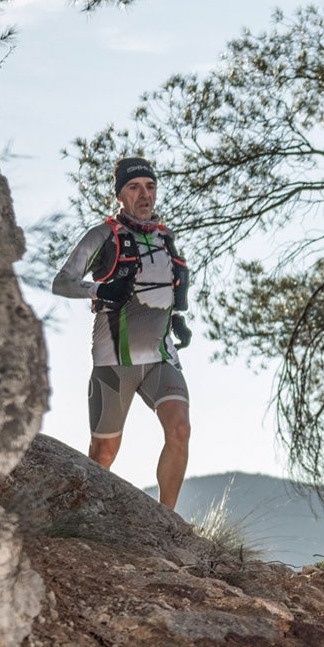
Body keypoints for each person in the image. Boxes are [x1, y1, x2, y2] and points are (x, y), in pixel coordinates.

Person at [52, 155, 195, 509]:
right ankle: (80, 518)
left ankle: (167, 521)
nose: (144, 195)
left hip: (161, 359)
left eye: (150, 187)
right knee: (103, 453)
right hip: (114, 360)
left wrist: (176, 317)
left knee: (180, 430)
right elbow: (61, 282)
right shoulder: (102, 235)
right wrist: (98, 290)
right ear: (119, 195)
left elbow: (169, 282)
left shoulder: (166, 237)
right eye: (134, 187)